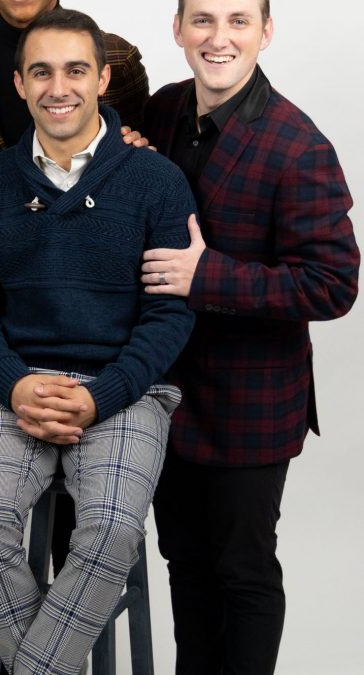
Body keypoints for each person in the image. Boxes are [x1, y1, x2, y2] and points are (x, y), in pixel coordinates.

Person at [0, 9, 196, 674]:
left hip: (126, 390)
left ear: (104, 79)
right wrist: (13, 383)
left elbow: (170, 315)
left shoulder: (157, 181)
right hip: (13, 382)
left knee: (111, 530)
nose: (58, 88)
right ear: (20, 84)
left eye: (75, 70)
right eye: (41, 72)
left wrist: (102, 395)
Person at [139, 1, 360, 673]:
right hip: (166, 392)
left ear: (266, 33)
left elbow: (333, 284)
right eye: (203, 19)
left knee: (243, 569)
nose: (219, 37)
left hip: (252, 404)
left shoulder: (300, 145)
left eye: (239, 20)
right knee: (185, 562)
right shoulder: (162, 109)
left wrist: (207, 276)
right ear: (178, 29)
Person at [0, 0, 149, 152]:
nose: (58, 90)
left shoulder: (118, 57)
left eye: (75, 71)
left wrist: (139, 148)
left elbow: (141, 143)